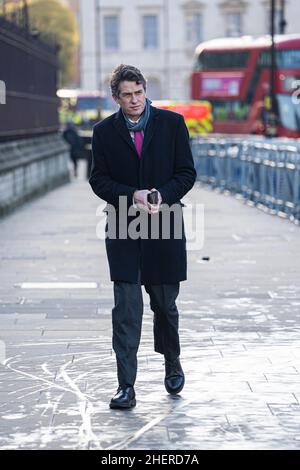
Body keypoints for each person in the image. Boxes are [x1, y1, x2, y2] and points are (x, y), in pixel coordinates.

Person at [89, 64, 196, 409]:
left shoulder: (172, 124)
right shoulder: (104, 132)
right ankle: (126, 385)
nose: (134, 100)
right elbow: (98, 181)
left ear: (145, 91)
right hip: (124, 226)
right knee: (126, 308)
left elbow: (186, 173)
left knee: (164, 305)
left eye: (138, 93)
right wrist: (130, 195)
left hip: (164, 223)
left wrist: (161, 195)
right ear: (116, 98)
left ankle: (172, 361)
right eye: (127, 95)